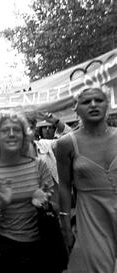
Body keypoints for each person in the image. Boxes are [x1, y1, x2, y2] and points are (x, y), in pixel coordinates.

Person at [0, 109, 56, 273]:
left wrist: (44, 203)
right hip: (7, 250)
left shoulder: (39, 165)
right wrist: (1, 205)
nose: (11, 134)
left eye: (17, 130)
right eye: (5, 130)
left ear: (24, 136)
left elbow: (57, 205)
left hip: (42, 246)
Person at [56, 86, 117, 272]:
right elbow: (65, 186)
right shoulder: (66, 144)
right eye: (86, 102)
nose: (93, 105)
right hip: (92, 218)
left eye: (99, 100)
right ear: (76, 108)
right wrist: (65, 225)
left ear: (108, 105)